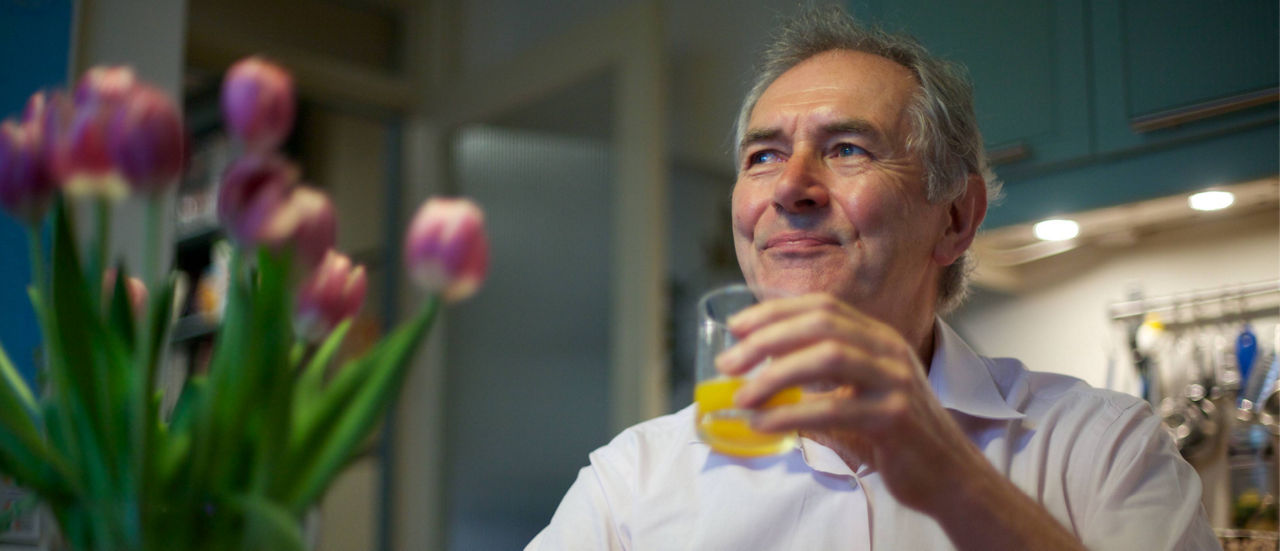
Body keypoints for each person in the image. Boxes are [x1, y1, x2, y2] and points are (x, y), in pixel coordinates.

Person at [527, 7, 1219, 550]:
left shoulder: (1099, 448)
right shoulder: (633, 484)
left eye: (847, 148)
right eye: (764, 155)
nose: (791, 186)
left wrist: (951, 478)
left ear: (955, 218)